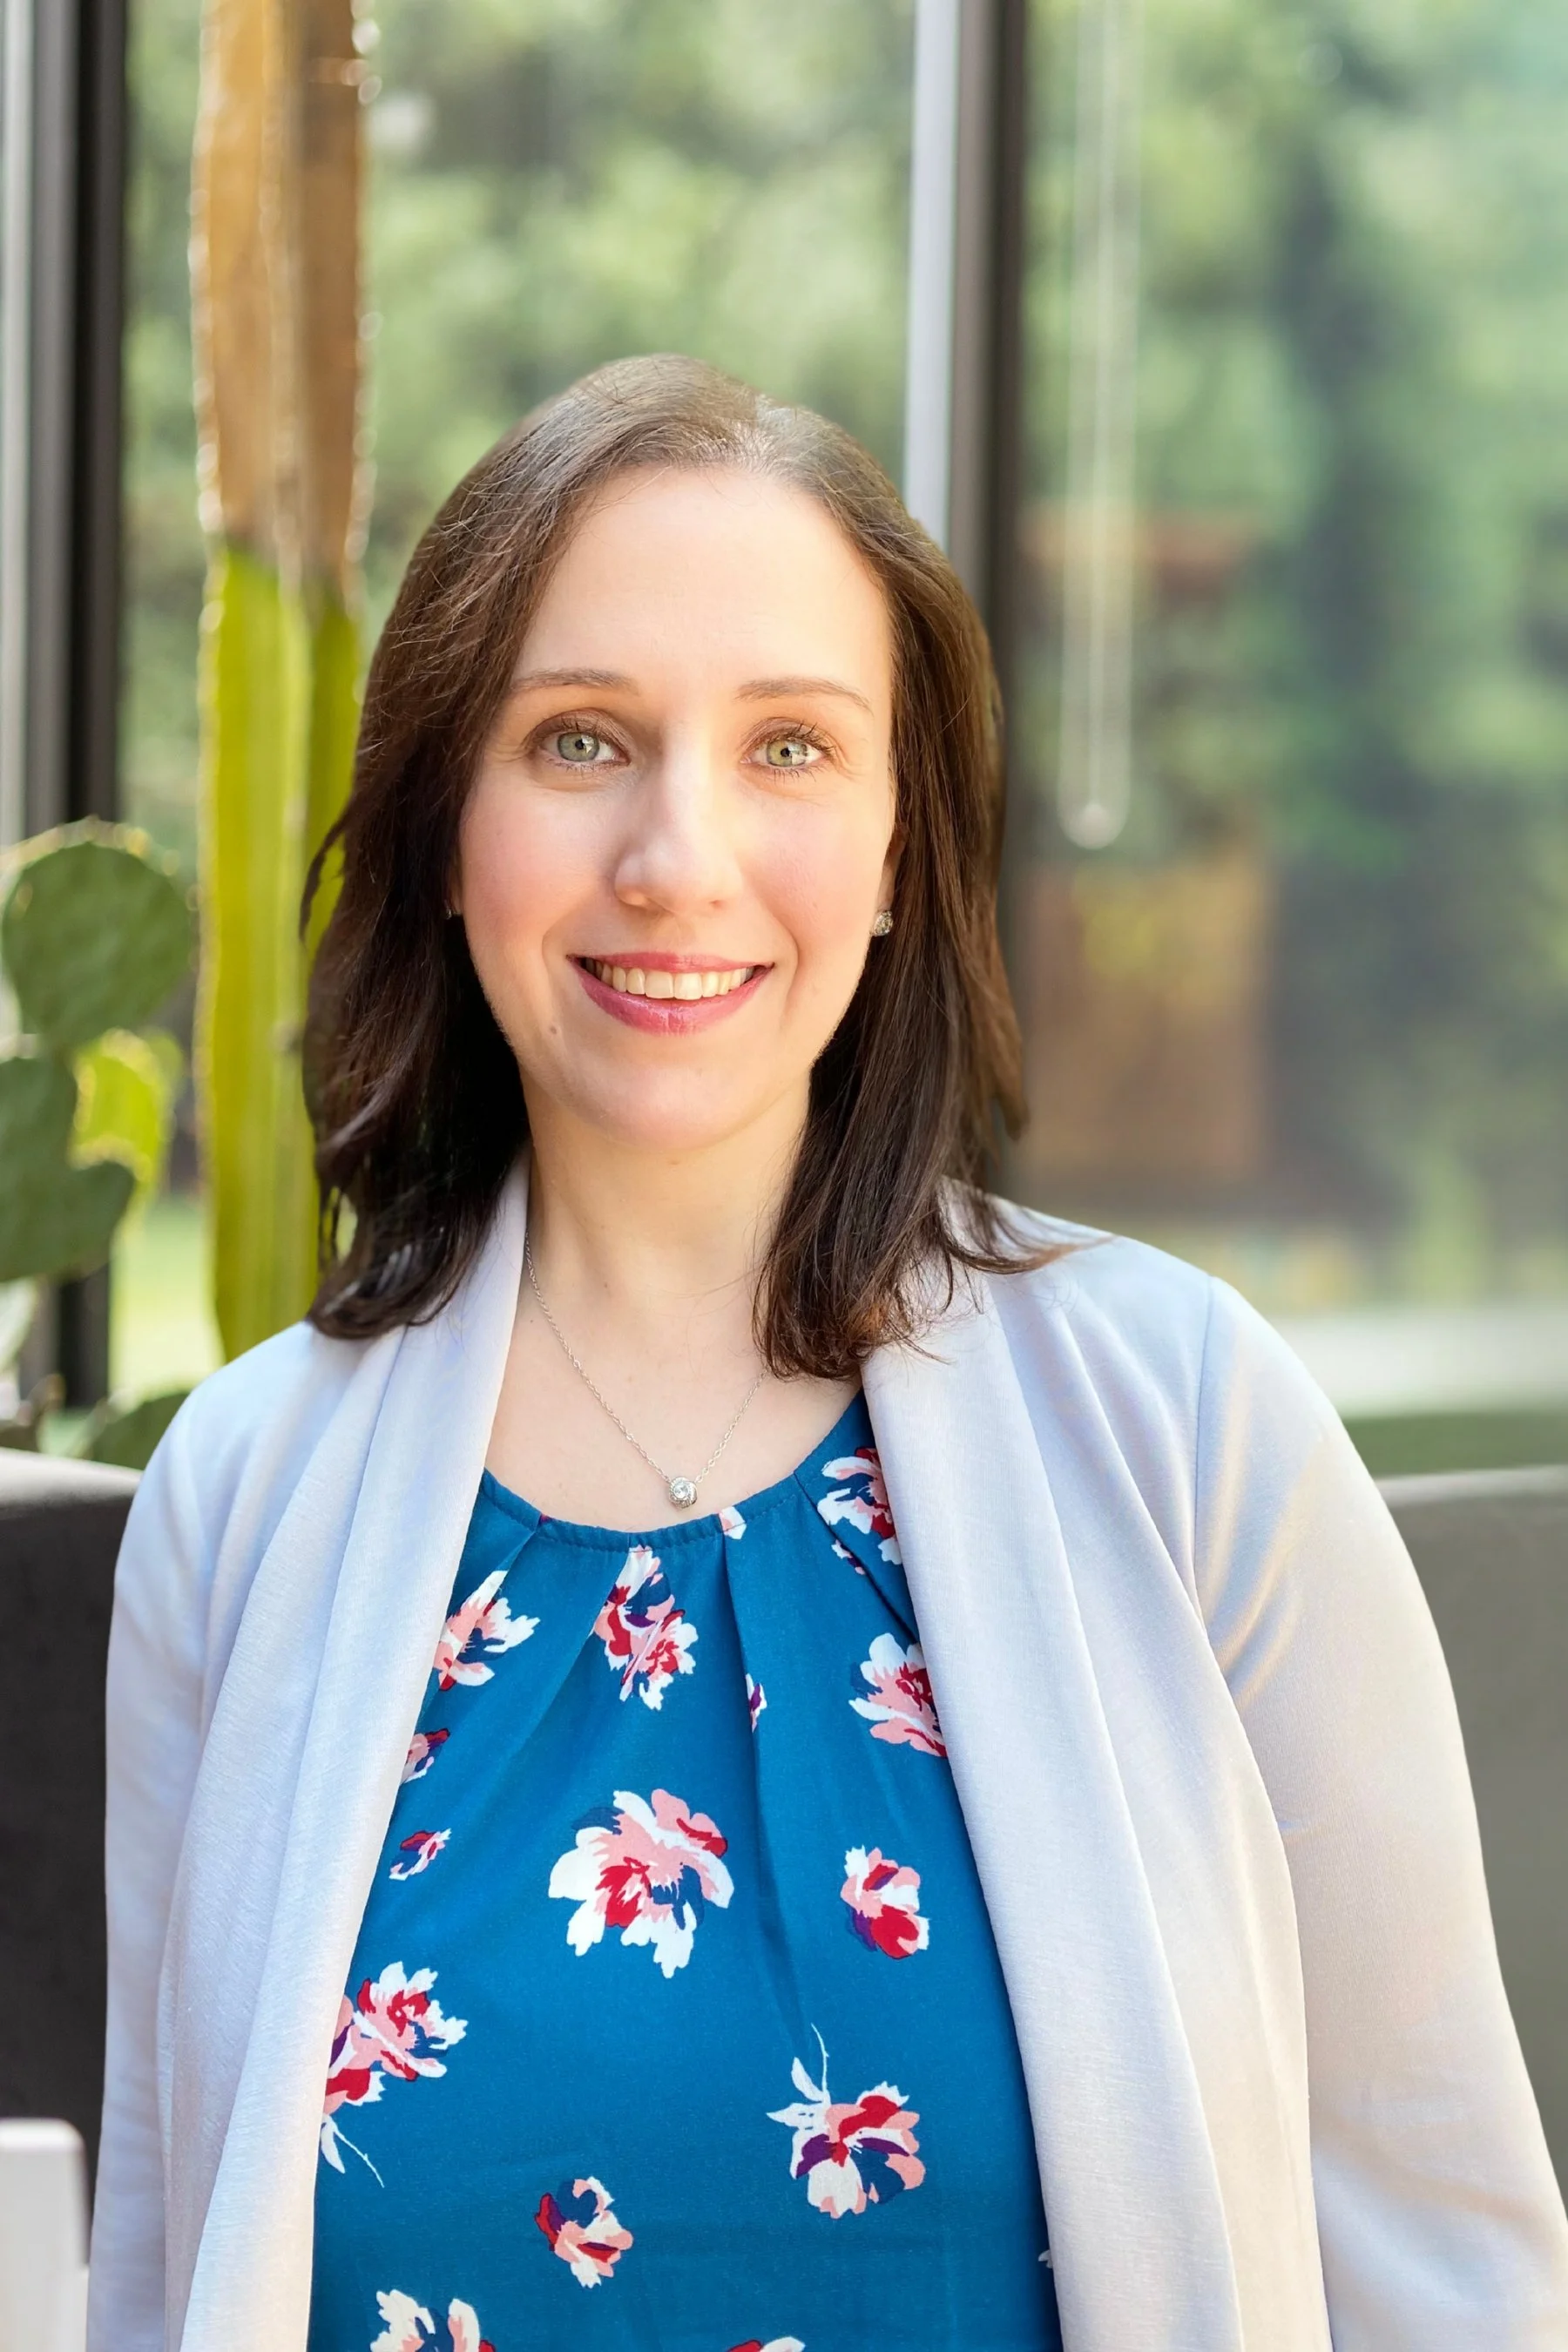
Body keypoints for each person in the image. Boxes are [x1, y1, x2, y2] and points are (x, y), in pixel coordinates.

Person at [89, 356, 1568, 2352]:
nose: (676, 855)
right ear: (448, 829)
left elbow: (1441, 2259)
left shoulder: (1192, 1427)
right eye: (582, 739)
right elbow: (166, 2262)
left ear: (897, 848)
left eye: (790, 748)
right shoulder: (243, 1497)